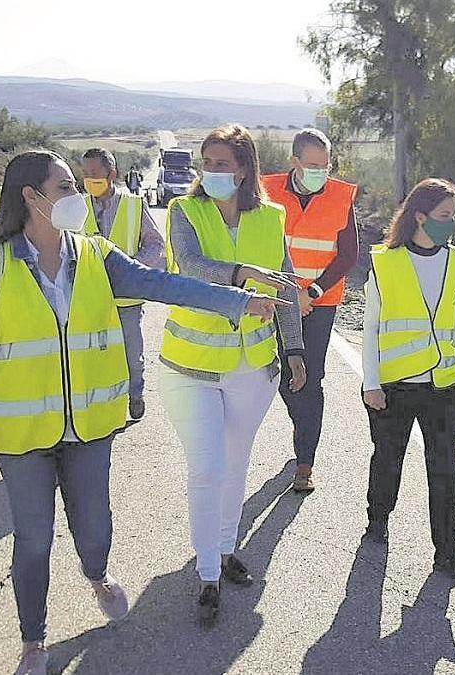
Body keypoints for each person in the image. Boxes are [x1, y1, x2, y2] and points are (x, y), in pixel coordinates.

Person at [0, 150, 285, 675]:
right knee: (33, 541)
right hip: (22, 430)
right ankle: (34, 641)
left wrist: (236, 300)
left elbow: (164, 284)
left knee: (95, 527)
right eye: (65, 187)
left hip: (90, 425)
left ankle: (96, 574)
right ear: (32, 197)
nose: (76, 195)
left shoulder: (95, 255)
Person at [159, 124, 306, 623]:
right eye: (208, 162)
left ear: (245, 169)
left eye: (223, 163)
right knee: (207, 466)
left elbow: (284, 283)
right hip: (191, 365)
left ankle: (224, 550)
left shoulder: (272, 217)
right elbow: (191, 269)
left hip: (252, 367)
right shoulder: (185, 211)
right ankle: (206, 574)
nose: (213, 172)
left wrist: (297, 349)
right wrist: (244, 274)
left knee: (236, 461)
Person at [361, 178, 455, 582]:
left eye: (454, 215)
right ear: (420, 216)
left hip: (443, 386)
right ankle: (377, 519)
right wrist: (370, 382)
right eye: (445, 215)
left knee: (445, 470)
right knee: (388, 460)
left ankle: (447, 552)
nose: (451, 223)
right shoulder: (384, 262)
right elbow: (370, 326)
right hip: (393, 386)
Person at [262, 128, 359, 492]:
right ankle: (301, 425)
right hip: (273, 298)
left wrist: (312, 292)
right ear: (295, 162)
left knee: (309, 378)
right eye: (313, 164)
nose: (321, 171)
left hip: (320, 302)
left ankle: (305, 462)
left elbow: (348, 254)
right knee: (284, 376)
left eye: (326, 164)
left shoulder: (340, 196)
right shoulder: (266, 190)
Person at [81, 148, 165, 423]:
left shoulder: (133, 205)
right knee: (91, 352)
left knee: (130, 352)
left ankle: (135, 394)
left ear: (111, 174)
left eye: (94, 174)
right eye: (85, 174)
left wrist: (132, 270)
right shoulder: (76, 207)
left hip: (126, 297)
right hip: (88, 296)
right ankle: (98, 402)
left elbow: (154, 244)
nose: (88, 179)